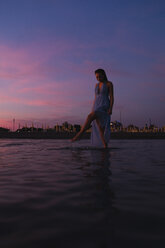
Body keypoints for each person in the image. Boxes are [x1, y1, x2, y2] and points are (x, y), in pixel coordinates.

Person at [71, 69, 114, 148]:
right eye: (96, 77)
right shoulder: (96, 85)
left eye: (100, 76)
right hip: (96, 105)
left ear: (103, 75)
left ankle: (80, 134)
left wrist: (111, 108)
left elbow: (111, 97)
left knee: (91, 117)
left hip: (104, 106)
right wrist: (93, 108)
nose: (98, 78)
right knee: (100, 128)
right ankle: (105, 146)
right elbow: (95, 98)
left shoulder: (109, 84)